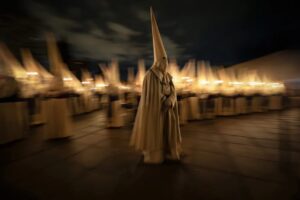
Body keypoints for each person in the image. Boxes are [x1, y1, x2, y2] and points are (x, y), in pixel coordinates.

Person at [130, 8, 181, 164]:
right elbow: (150, 97)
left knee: (168, 133)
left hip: (168, 111)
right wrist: (162, 100)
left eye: (166, 60)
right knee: (156, 132)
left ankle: (170, 152)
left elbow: (173, 91)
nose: (165, 63)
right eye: (163, 60)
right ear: (157, 61)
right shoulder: (150, 76)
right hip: (156, 112)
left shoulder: (167, 75)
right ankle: (154, 155)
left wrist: (170, 99)